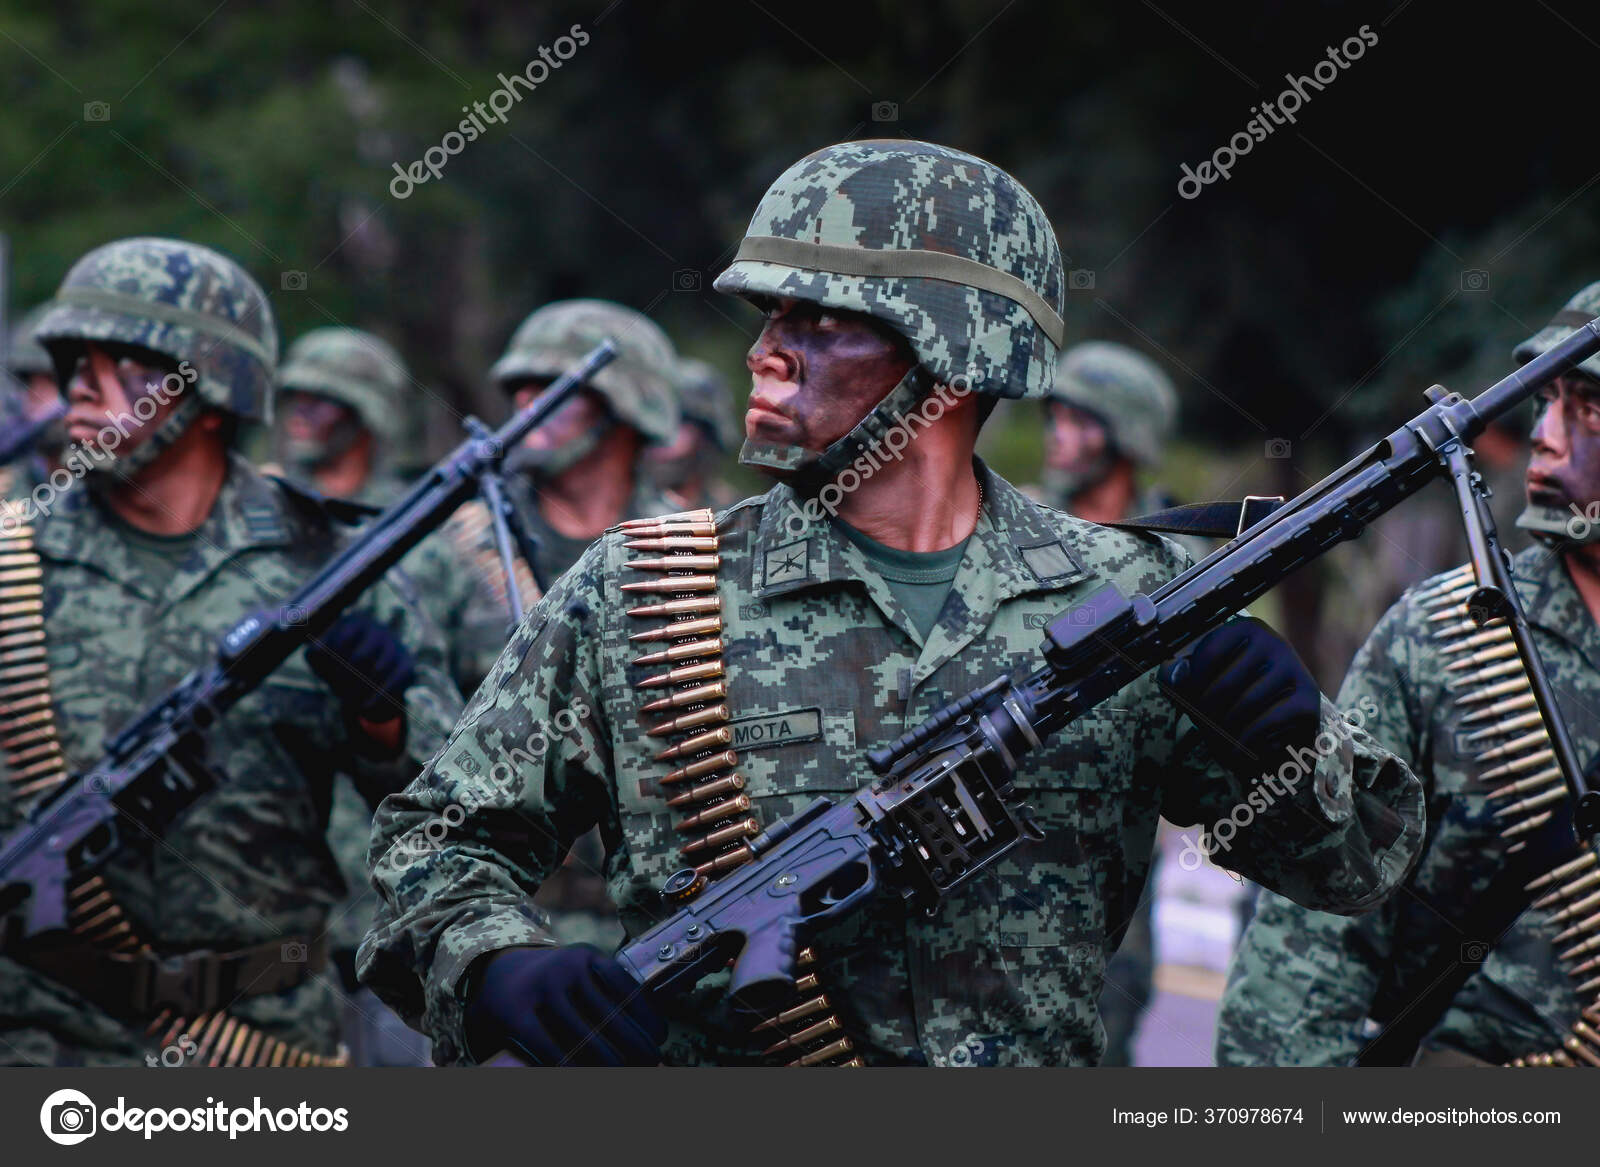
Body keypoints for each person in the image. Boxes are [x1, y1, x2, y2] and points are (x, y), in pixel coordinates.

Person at [359, 138, 1423, 1068]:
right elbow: (434, 845)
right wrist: (501, 968)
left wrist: (1288, 749)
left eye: (822, 322)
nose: (768, 352)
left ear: (952, 361)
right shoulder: (642, 591)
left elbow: (1358, 872)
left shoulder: (1133, 599)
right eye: (771, 315)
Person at [0, 237, 460, 1067]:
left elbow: (448, 807)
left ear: (208, 391)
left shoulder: (329, 565)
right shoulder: (10, 558)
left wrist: (381, 717)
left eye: (124, 363)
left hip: (261, 1039)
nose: (79, 384)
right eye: (74, 359)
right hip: (39, 1034)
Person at [1215, 280, 1600, 1067]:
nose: (1548, 436)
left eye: (1588, 406)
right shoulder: (1445, 635)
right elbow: (1319, 930)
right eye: (1546, 401)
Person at [1039, 341, 1196, 1065]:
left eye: (1082, 420)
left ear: (1128, 434)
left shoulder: (1181, 558)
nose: (1059, 435)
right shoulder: (1018, 532)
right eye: (1057, 416)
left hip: (1122, 842)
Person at [445, 297, 682, 695]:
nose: (526, 401)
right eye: (521, 386)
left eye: (554, 386)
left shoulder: (685, 545)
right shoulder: (461, 541)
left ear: (626, 406)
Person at [649, 355, 742, 509]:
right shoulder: (617, 504)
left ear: (707, 437)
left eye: (678, 422)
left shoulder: (735, 516)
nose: (661, 435)